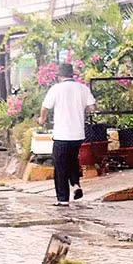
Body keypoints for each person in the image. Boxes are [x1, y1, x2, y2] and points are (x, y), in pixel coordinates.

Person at [37, 63, 96, 206]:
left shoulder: (56, 89)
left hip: (62, 134)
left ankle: (63, 200)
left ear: (59, 76)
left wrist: (41, 119)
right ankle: (75, 184)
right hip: (78, 134)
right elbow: (92, 108)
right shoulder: (83, 88)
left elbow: (44, 108)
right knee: (72, 159)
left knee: (60, 166)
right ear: (72, 74)